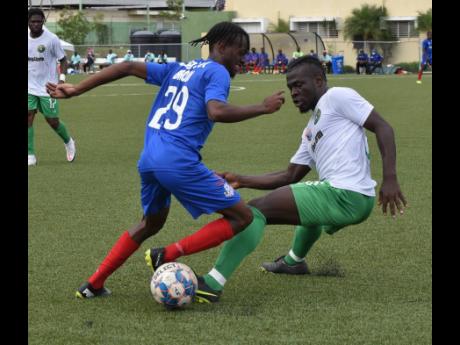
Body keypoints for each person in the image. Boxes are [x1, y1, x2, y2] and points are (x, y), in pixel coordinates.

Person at [46, 21, 285, 299]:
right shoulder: (217, 71)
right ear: (221, 46)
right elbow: (216, 111)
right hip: (178, 161)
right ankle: (167, 254)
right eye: (240, 51)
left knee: (151, 222)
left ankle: (94, 283)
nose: (244, 58)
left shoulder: (180, 68)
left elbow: (126, 67)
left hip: (149, 160)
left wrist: (77, 89)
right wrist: (262, 107)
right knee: (243, 216)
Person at [192, 56, 406, 303]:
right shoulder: (310, 129)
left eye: (299, 85)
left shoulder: (337, 96)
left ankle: (212, 283)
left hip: (346, 193)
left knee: (253, 211)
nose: (294, 92)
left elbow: (383, 127)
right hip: (347, 196)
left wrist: (390, 178)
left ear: (318, 80)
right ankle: (294, 262)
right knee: (303, 199)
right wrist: (240, 179)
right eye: (290, 86)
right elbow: (289, 175)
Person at [28, 7, 76, 166]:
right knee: (28, 118)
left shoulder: (52, 39)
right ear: (28, 22)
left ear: (43, 22)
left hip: (48, 87)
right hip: (29, 87)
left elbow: (63, 60)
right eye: (32, 21)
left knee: (52, 121)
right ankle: (30, 155)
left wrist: (61, 81)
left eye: (38, 21)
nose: (35, 24)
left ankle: (68, 142)